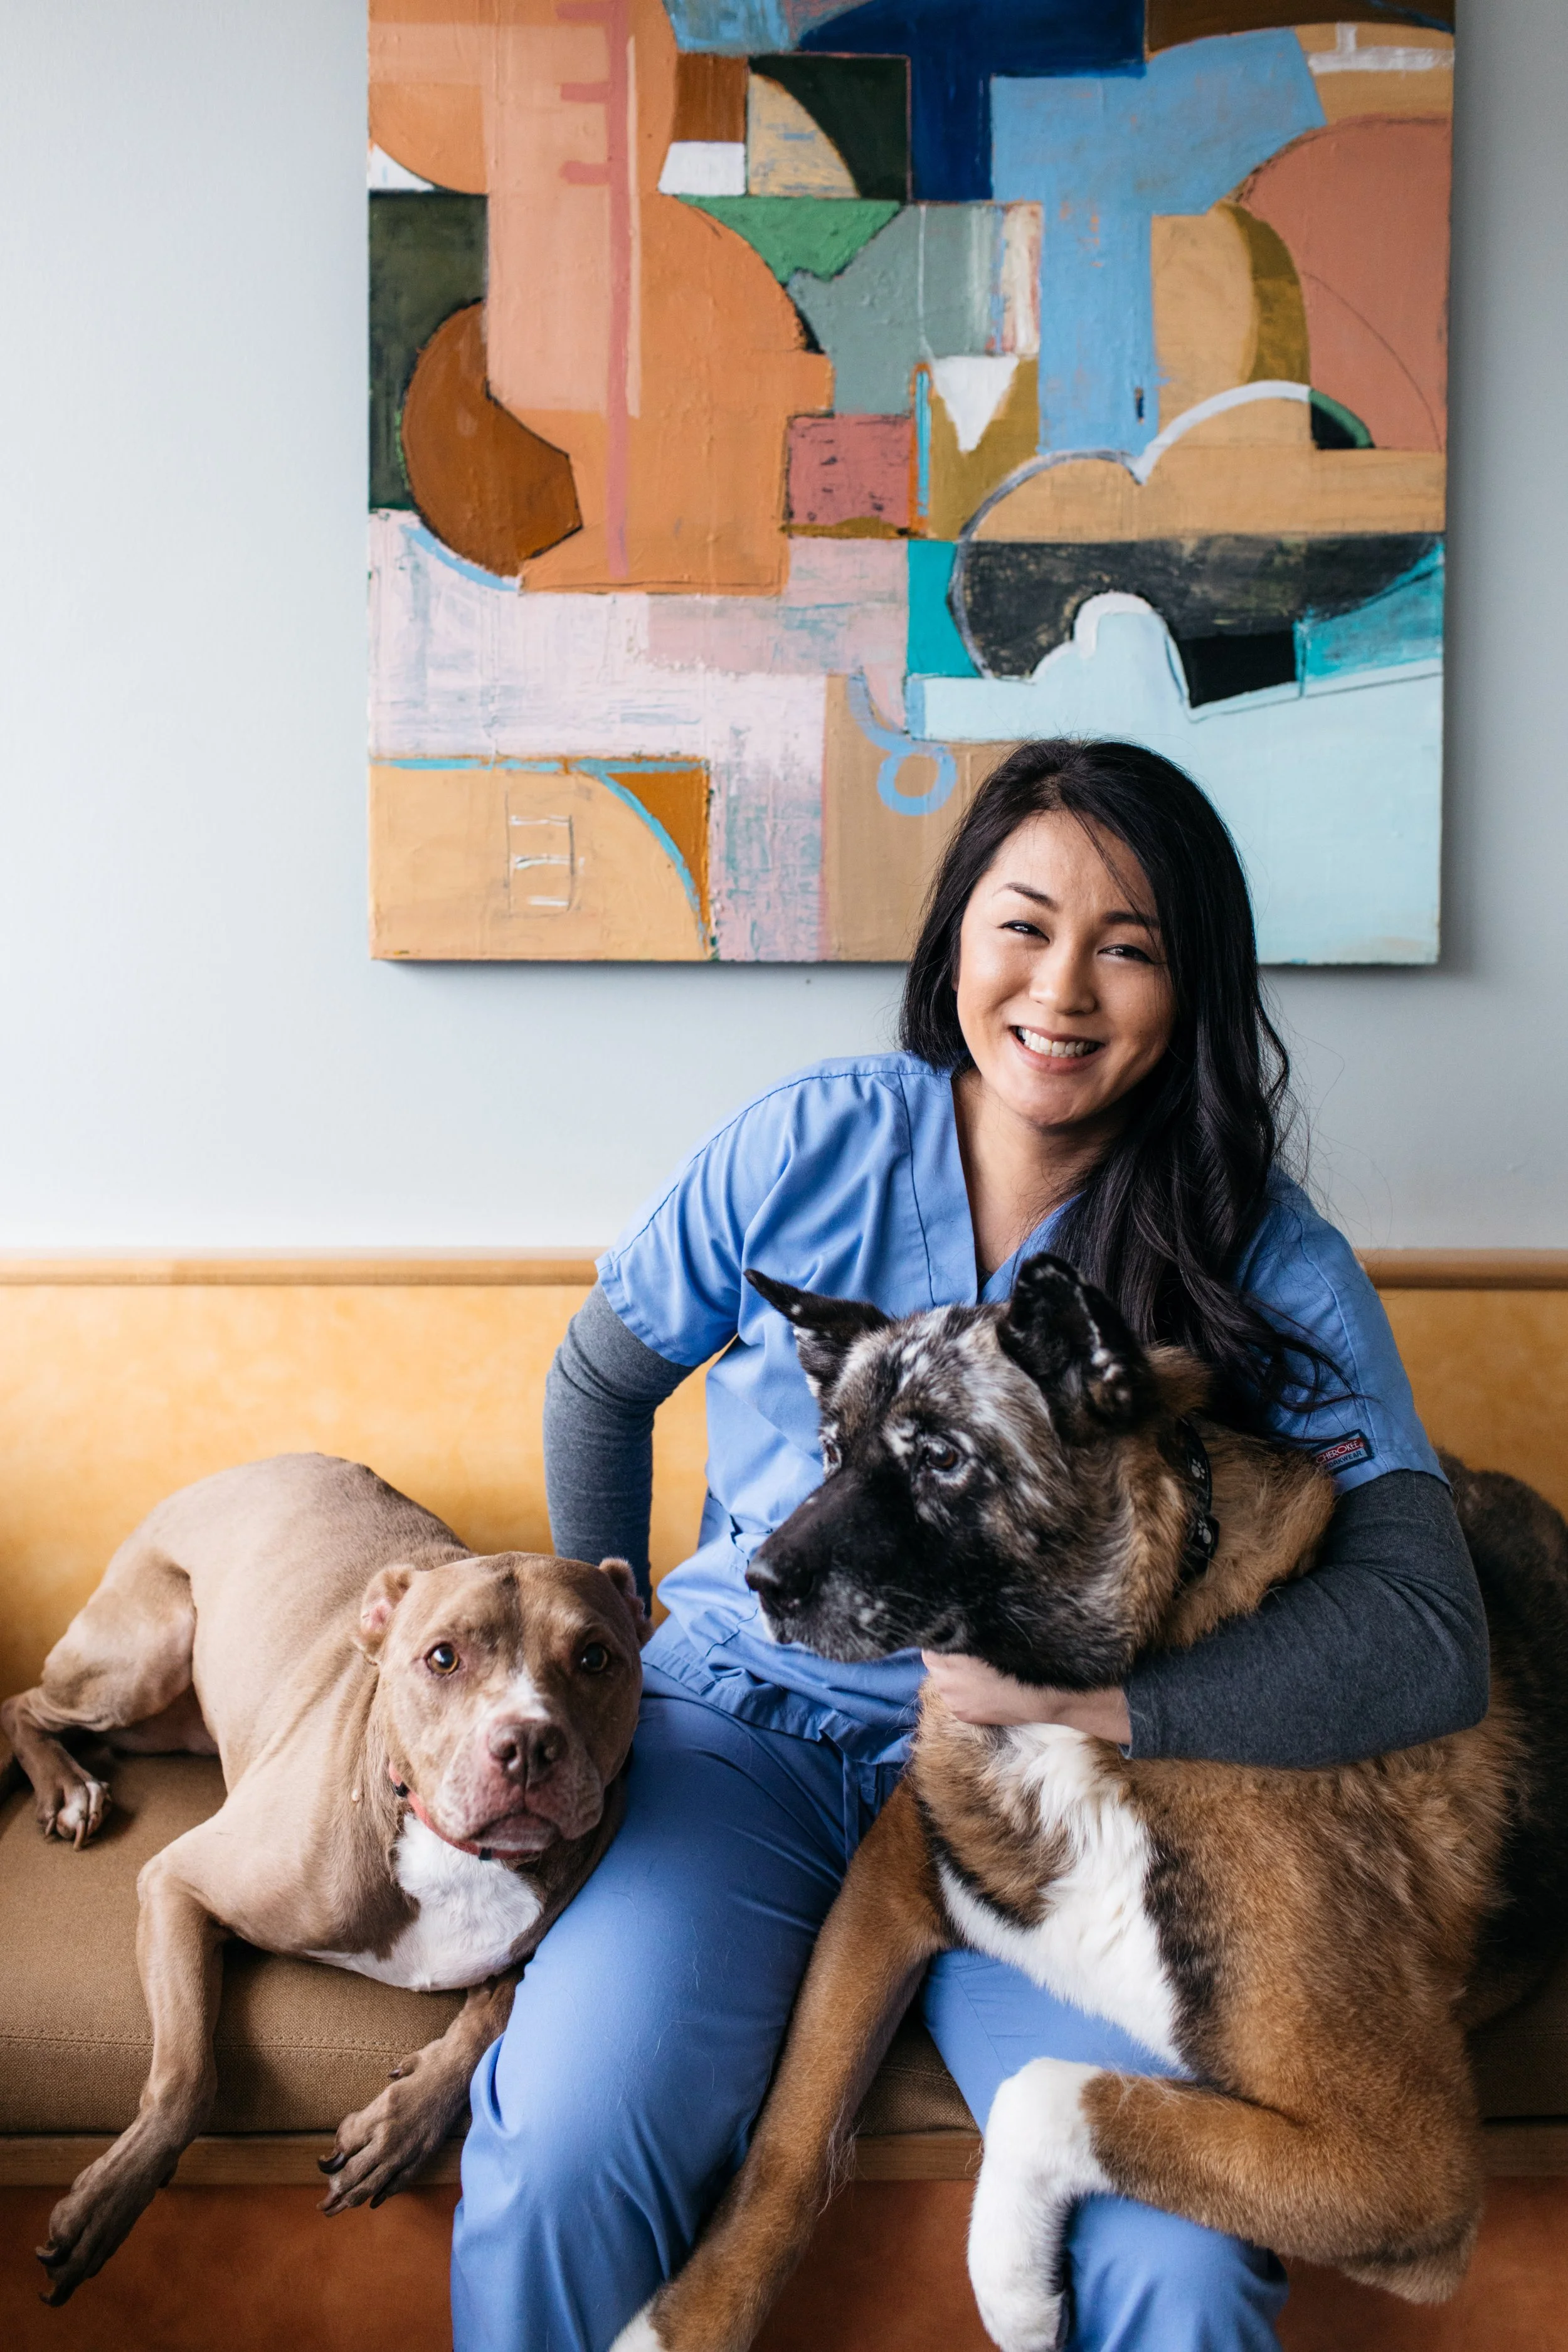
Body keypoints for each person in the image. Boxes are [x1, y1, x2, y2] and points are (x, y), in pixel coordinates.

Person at [450, 739, 1488, 2352]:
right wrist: (607, 1679)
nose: (1059, 988)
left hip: (1058, 1803)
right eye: (1021, 924)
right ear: (952, 943)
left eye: (1126, 946)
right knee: (566, 2143)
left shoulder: (1261, 1256)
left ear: (1188, 988)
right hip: (746, 1739)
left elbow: (1428, 1631)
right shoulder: (807, 1146)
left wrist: (1107, 1717)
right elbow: (600, 1379)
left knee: (1176, 2259)